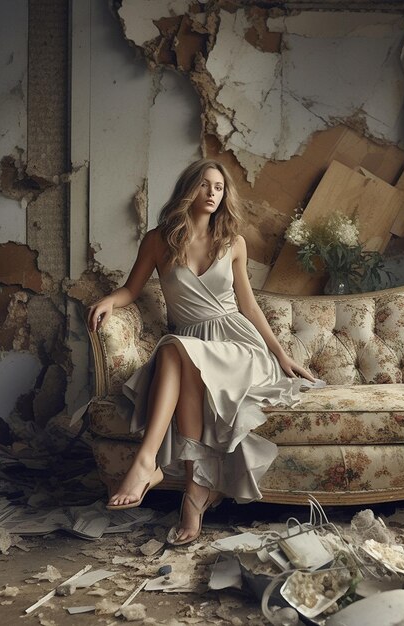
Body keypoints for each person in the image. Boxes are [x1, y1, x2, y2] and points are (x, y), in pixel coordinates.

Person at [87, 158, 316, 546]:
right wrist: (110, 300)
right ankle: (192, 495)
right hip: (192, 344)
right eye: (205, 185)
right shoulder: (158, 240)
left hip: (238, 346)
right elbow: (133, 288)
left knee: (175, 351)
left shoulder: (234, 243)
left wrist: (280, 354)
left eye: (219, 188)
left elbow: (250, 306)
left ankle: (148, 462)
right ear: (189, 189)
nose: (212, 193)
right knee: (179, 351)